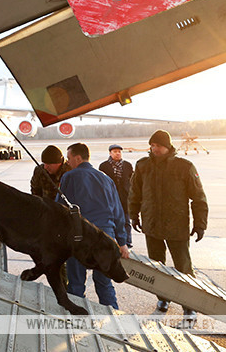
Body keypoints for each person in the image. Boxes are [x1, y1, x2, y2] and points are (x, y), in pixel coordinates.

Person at [129, 130, 208, 320]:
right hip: (152, 224)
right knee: (156, 266)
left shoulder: (184, 166)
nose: (154, 148)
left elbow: (198, 198)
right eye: (152, 145)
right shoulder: (142, 166)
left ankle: (189, 304)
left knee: (183, 267)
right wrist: (133, 215)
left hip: (176, 225)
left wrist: (200, 224)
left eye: (158, 145)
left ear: (167, 146)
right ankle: (162, 298)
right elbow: (135, 193)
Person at [60, 143, 130, 308]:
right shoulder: (106, 178)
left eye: (69, 158)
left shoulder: (69, 177)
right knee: (104, 284)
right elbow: (118, 213)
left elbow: (61, 210)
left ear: (78, 158)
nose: (67, 162)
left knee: (76, 285)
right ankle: (114, 320)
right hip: (105, 239)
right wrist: (122, 242)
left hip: (79, 238)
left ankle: (75, 323)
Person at [99, 144, 134, 247]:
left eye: (119, 151)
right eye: (115, 151)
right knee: (112, 221)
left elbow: (132, 181)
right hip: (110, 198)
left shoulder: (127, 165)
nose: (118, 153)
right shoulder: (104, 166)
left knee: (126, 221)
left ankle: (127, 242)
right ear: (110, 153)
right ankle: (113, 242)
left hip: (124, 198)